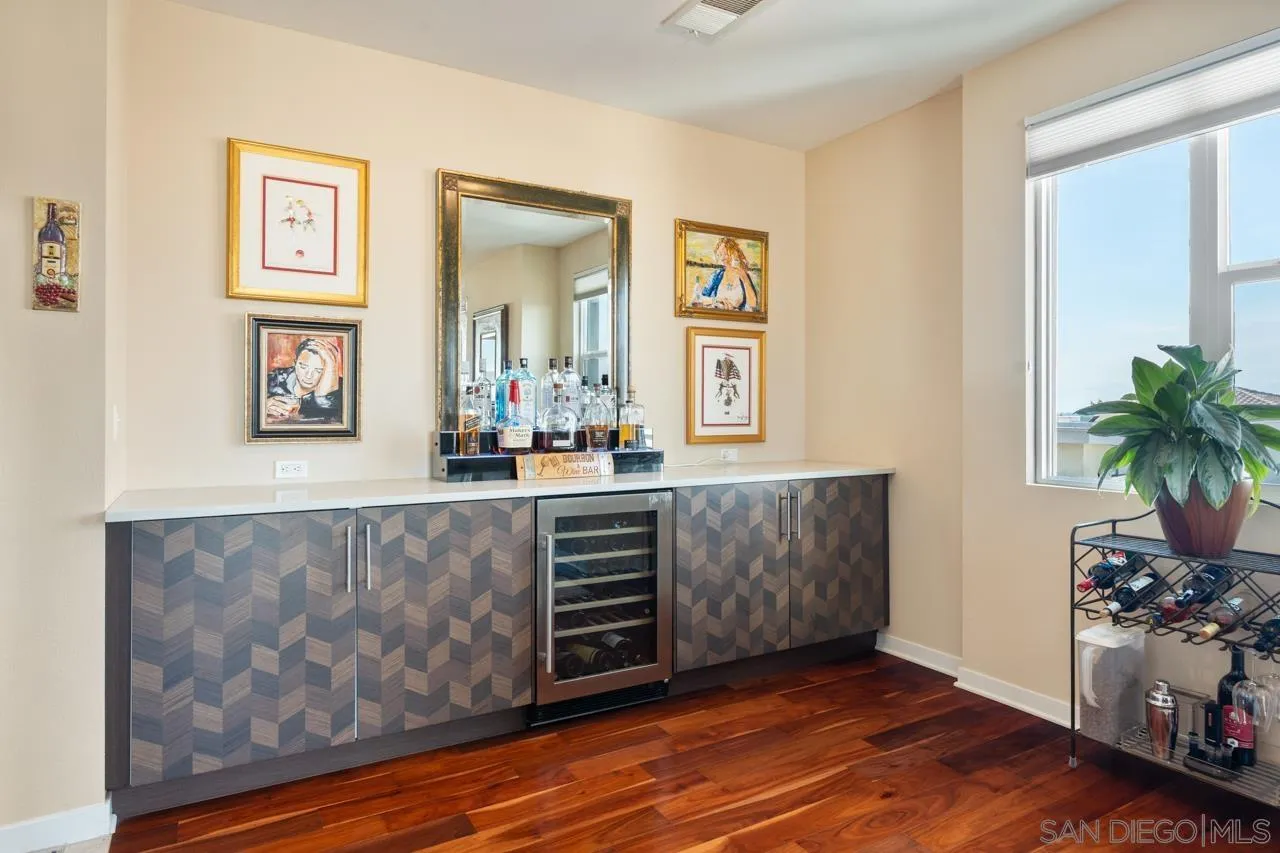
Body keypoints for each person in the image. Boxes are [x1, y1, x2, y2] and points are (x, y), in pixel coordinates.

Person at [266, 337, 343, 423]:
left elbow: (334, 419)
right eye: (303, 367)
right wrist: (262, 406)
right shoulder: (275, 379)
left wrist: (324, 394)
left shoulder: (341, 388)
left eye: (318, 370)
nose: (309, 376)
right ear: (295, 363)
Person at [697, 237, 760, 312]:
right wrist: (716, 301)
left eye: (726, 254)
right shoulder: (716, 275)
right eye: (720, 255)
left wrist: (745, 279)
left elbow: (753, 305)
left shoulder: (745, 275)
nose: (722, 258)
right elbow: (700, 298)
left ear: (734, 254)